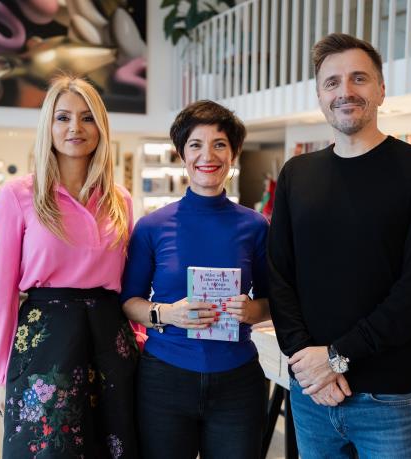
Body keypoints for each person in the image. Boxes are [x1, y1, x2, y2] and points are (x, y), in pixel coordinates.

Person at [267, 33, 411, 458]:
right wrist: (307, 363)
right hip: (311, 395)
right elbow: (279, 275)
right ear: (319, 96)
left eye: (359, 78)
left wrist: (335, 359)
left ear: (381, 89)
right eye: (332, 82)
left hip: (385, 396)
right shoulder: (297, 174)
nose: (345, 91)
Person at [0, 75, 139, 458]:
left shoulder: (119, 199)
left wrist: (139, 340)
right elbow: (2, 290)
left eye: (87, 118)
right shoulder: (18, 195)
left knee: (115, 446)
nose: (75, 128)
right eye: (63, 117)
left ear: (100, 128)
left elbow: (129, 282)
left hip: (109, 339)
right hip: (45, 338)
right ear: (48, 126)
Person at [121, 100, 270, 459]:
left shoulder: (255, 226)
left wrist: (252, 311)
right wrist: (166, 313)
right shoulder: (152, 226)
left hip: (238, 381)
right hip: (164, 379)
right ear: (181, 154)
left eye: (219, 144)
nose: (208, 155)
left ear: (233, 153)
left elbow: (275, 301)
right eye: (195, 144)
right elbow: (128, 301)